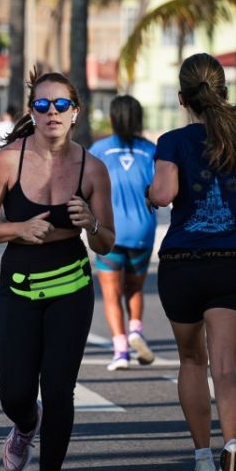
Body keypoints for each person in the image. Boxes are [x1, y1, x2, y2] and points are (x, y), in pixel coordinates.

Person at [0, 70, 114, 471]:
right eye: (43, 105)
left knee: (59, 389)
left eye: (61, 105)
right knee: (14, 393)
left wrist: (90, 223)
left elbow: (107, 241)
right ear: (32, 112)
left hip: (71, 284)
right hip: (19, 284)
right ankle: (25, 424)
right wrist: (19, 227)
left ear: (76, 113)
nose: (52, 113)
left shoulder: (93, 168)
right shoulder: (8, 161)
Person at [147, 53, 236, 471]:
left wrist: (150, 193)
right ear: (222, 91)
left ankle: (203, 460)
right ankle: (234, 444)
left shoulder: (173, 140)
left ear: (183, 98)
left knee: (191, 359)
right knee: (227, 369)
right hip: (233, 264)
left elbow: (163, 194)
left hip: (184, 264)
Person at [89, 95, 157, 371]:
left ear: (113, 119)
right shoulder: (152, 151)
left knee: (111, 292)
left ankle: (120, 351)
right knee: (135, 288)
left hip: (109, 231)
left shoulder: (99, 150)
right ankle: (136, 331)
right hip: (143, 230)